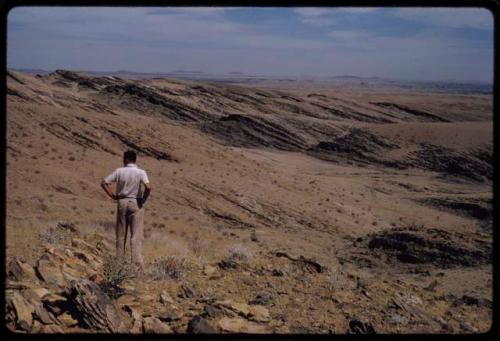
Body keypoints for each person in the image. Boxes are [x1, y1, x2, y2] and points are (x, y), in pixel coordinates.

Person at [101, 150, 151, 269]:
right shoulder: (141, 172)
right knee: (136, 235)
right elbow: (148, 187)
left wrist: (113, 195)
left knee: (121, 234)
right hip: (135, 203)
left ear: (127, 159)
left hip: (122, 201)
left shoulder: (119, 171)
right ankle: (137, 265)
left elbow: (103, 183)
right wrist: (143, 199)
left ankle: (119, 263)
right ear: (135, 159)